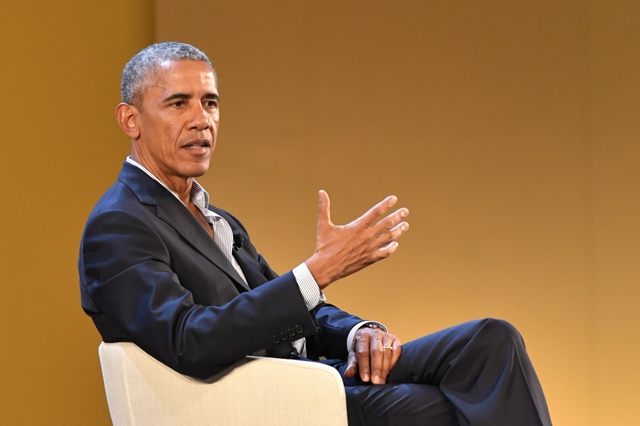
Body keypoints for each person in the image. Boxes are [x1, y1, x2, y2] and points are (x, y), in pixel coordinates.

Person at [78, 41, 553, 425]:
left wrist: (357, 333)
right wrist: (318, 270)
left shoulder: (216, 217)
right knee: (455, 408)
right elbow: (187, 340)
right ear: (130, 120)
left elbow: (286, 306)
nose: (201, 119)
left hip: (320, 373)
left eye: (210, 102)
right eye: (178, 103)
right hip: (273, 400)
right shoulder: (120, 223)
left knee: (490, 342)